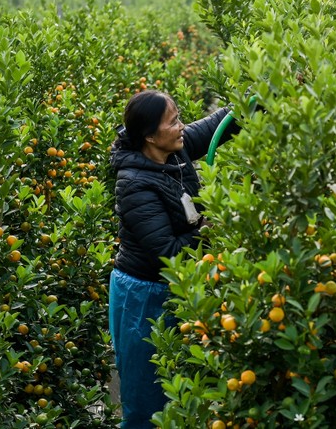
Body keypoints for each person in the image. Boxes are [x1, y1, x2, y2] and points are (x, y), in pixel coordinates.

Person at [108, 89, 239, 428]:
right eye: (174, 121)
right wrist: (212, 225)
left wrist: (262, 95)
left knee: (185, 390)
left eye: (179, 117)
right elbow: (168, 253)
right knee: (147, 395)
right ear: (150, 136)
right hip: (143, 295)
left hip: (179, 287)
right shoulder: (134, 182)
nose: (182, 126)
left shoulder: (173, 150)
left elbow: (218, 124)